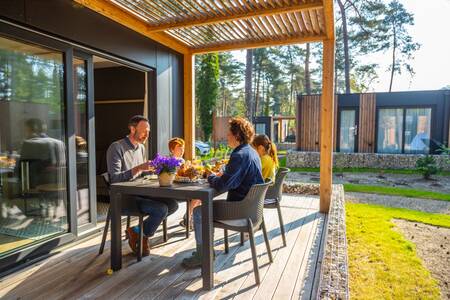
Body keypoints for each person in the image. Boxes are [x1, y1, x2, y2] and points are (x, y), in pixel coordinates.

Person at [182, 117, 264, 268]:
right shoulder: (251, 152)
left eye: (229, 134)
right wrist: (224, 175)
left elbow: (221, 185)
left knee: (200, 211)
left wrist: (210, 175)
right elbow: (234, 180)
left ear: (237, 135)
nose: (227, 136)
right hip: (252, 210)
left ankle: (203, 255)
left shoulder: (239, 155)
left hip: (239, 211)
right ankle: (207, 251)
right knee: (206, 208)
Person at [106, 115, 178, 256]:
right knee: (161, 209)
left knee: (173, 205)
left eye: (148, 131)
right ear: (132, 129)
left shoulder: (141, 148)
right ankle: (142, 235)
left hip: (141, 193)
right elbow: (114, 180)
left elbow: (143, 176)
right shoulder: (116, 147)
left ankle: (138, 231)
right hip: (124, 198)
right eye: (144, 131)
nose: (147, 134)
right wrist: (139, 168)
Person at [168, 137, 201, 230]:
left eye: (183, 148)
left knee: (200, 196)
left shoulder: (183, 161)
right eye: (179, 148)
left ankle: (189, 218)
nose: (182, 150)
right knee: (197, 196)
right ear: (172, 149)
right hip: (174, 190)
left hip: (184, 188)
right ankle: (188, 218)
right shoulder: (169, 162)